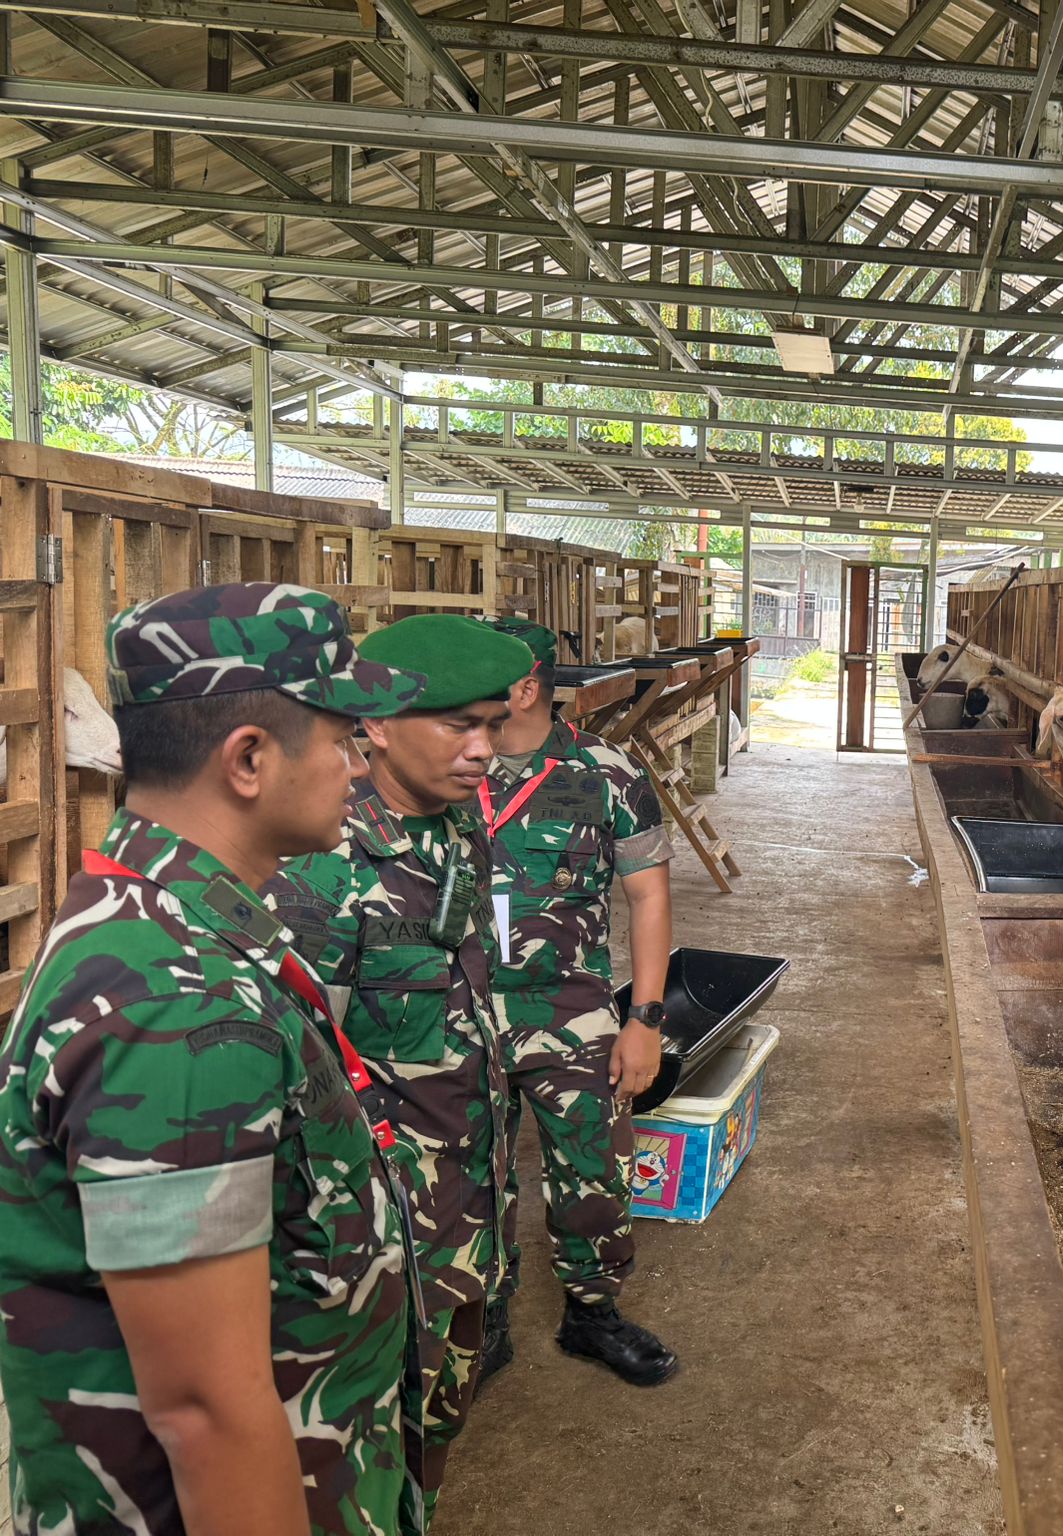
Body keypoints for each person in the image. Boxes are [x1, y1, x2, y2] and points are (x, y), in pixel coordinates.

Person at [0, 583, 428, 1535]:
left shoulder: (181, 923)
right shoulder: (176, 1004)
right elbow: (205, 1417)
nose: (360, 767)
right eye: (343, 739)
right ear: (249, 759)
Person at [264, 612, 532, 1519]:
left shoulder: (458, 831)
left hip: (465, 1208)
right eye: (459, 726)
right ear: (374, 726)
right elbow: (301, 1092)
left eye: (492, 725)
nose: (483, 749)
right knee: (357, 1470)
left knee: (436, 1432)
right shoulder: (324, 868)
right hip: (375, 1245)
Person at [476, 618, 678, 1388]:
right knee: (466, 1175)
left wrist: (644, 1019)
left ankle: (592, 1312)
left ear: (527, 686)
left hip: (570, 1009)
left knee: (593, 1168)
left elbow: (648, 898)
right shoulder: (447, 764)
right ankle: (481, 1317)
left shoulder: (604, 773)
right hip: (456, 1009)